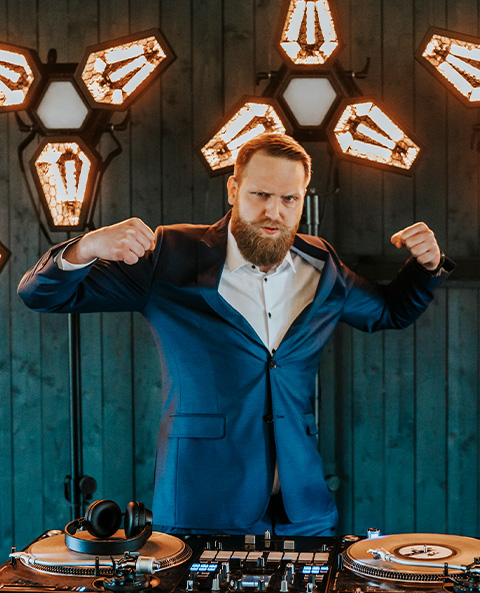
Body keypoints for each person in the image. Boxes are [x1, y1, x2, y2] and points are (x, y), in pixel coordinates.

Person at [18, 134, 453, 536]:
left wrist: (427, 267)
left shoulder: (323, 266)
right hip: (203, 508)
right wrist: (86, 247)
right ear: (233, 189)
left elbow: (391, 312)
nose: (274, 212)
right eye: (260, 195)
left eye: (289, 199)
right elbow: (41, 295)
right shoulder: (170, 254)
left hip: (304, 512)